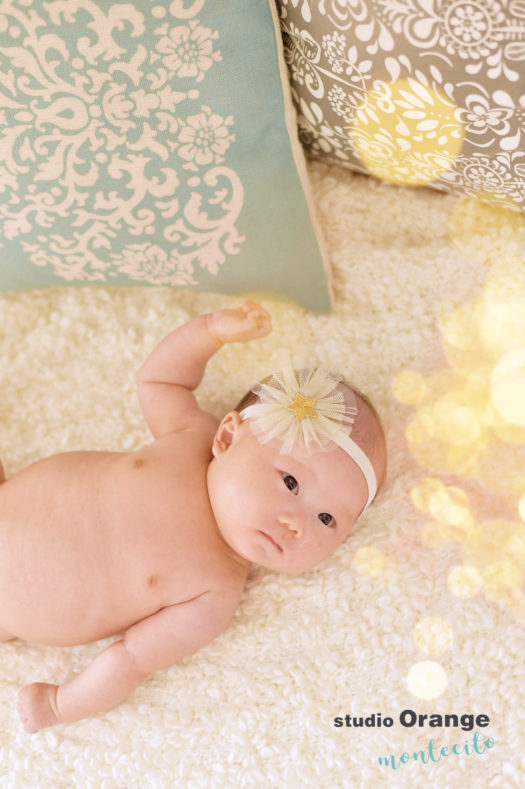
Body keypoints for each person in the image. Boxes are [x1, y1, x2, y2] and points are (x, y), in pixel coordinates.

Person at [0, 301, 385, 732]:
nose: (299, 522)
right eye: (291, 483)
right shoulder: (192, 439)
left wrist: (60, 705)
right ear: (227, 436)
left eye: (328, 519)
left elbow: (131, 659)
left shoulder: (214, 594)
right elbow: (160, 380)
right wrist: (210, 332)